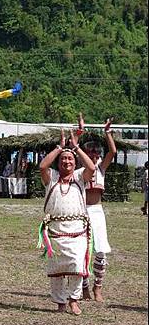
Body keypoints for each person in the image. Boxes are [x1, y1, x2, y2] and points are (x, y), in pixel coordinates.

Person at [37, 129, 95, 315]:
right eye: (63, 159)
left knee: (77, 266)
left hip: (77, 230)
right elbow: (42, 167)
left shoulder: (79, 177)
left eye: (70, 159)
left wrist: (75, 148)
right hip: (55, 231)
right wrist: (60, 147)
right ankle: (60, 302)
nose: (66, 161)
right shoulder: (52, 177)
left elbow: (92, 168)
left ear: (75, 162)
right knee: (57, 269)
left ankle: (74, 300)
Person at [80, 117, 117, 303]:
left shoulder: (101, 169)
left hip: (97, 211)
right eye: (90, 154)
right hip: (81, 212)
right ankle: (84, 288)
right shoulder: (80, 171)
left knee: (100, 250)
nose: (94, 157)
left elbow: (113, 151)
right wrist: (80, 131)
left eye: (96, 154)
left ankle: (98, 288)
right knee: (83, 251)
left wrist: (107, 132)